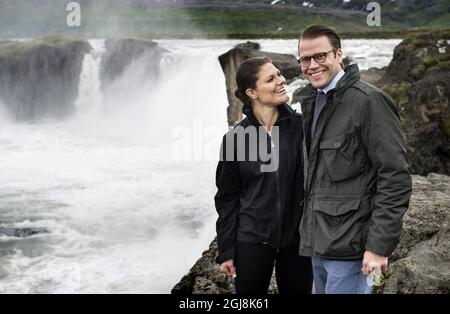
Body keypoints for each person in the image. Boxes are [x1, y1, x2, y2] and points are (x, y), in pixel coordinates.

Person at [296, 25, 412, 294]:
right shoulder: (313, 101)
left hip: (353, 252)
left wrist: (378, 247)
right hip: (320, 247)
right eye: (304, 59)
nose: (312, 65)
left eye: (320, 56)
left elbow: (395, 176)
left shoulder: (370, 101)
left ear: (339, 55)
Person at [214, 57, 313, 294]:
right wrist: (226, 250)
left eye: (279, 74)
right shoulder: (235, 139)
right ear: (252, 92)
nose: (281, 81)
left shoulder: (303, 128)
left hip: (297, 242)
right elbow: (227, 198)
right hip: (251, 242)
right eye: (271, 79)